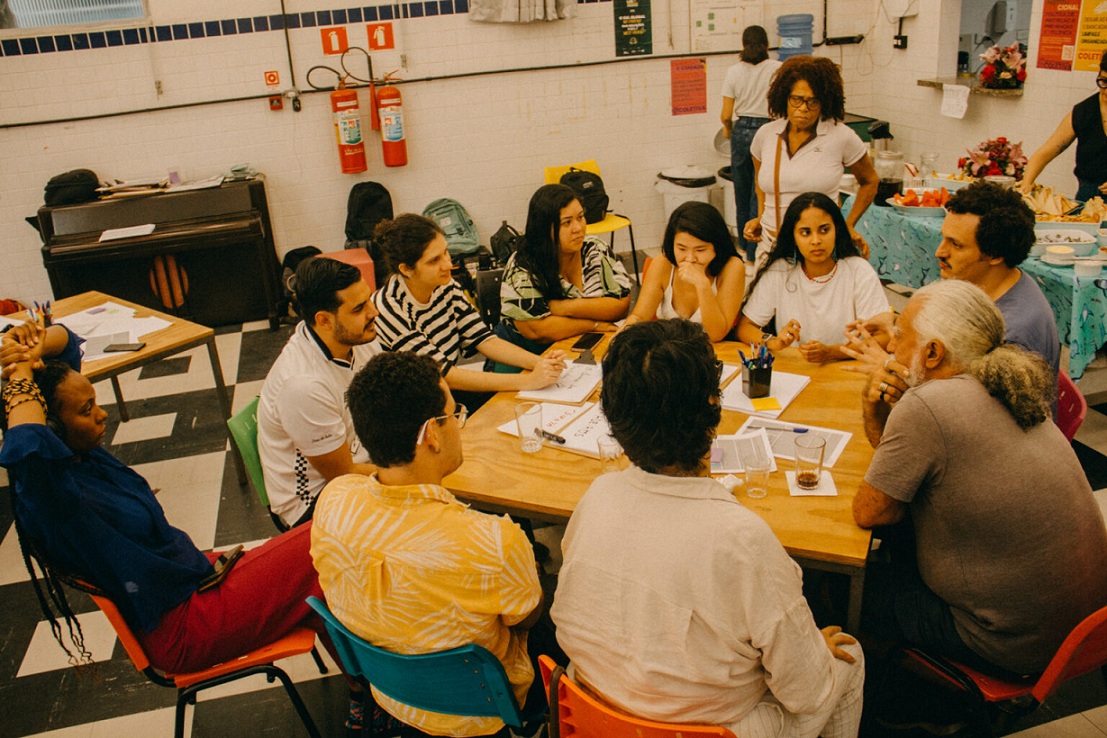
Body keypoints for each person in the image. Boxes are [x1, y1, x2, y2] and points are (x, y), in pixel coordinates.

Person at [551, 319, 864, 738]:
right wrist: (810, 653)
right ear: (713, 408)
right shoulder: (743, 539)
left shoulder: (598, 494)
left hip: (596, 713)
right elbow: (807, 693)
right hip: (705, 729)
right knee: (849, 656)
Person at [0, 321, 342, 680]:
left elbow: (67, 342)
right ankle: (378, 696)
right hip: (185, 624)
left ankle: (363, 694)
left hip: (194, 579)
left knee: (327, 561)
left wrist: (29, 348)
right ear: (51, 430)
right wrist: (20, 376)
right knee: (325, 540)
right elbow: (26, 445)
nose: (101, 414)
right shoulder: (53, 495)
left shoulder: (82, 456)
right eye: (87, 410)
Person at [847, 280, 1107, 676]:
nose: (891, 349)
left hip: (1010, 643)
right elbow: (896, 469)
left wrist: (879, 407)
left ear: (932, 352)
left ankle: (908, 704)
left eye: (900, 338)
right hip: (1084, 628)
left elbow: (872, 512)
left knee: (845, 592)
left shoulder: (925, 405)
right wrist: (874, 404)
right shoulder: (1007, 379)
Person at [311, 351, 554, 737]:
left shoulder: (333, 502)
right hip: (484, 710)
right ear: (432, 435)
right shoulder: (493, 541)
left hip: (390, 693)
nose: (459, 423)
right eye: (454, 413)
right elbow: (526, 617)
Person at [371, 213, 567, 408]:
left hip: (443, 392)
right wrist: (528, 381)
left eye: (446, 252)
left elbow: (484, 339)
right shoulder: (389, 309)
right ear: (406, 269)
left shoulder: (445, 286)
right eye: (434, 260)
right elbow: (444, 374)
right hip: (410, 408)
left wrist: (541, 363)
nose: (448, 264)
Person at [258, 256, 381, 528]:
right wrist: (411, 473)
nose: (374, 313)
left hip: (360, 456)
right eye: (360, 308)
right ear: (324, 320)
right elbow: (343, 474)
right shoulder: (303, 385)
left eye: (369, 300)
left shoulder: (356, 337)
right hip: (312, 502)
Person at [745, 55, 878, 267]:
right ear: (784, 97)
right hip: (772, 246)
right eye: (796, 99)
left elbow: (870, 180)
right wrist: (761, 216)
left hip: (818, 251)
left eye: (812, 101)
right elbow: (760, 182)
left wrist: (849, 224)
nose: (803, 108)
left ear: (825, 102)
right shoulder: (766, 135)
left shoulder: (841, 136)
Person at [737, 192, 890, 362]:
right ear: (793, 237)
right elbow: (745, 327)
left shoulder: (858, 270)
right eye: (805, 233)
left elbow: (884, 337)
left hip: (848, 368)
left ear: (837, 231)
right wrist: (773, 341)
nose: (815, 240)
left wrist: (832, 352)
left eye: (824, 230)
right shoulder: (780, 271)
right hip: (796, 371)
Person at [498, 183, 632, 355]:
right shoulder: (523, 264)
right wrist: (593, 324)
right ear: (544, 228)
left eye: (580, 217)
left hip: (582, 345)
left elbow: (621, 305)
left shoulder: (595, 249)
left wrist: (565, 307)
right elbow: (536, 329)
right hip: (522, 352)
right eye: (567, 222)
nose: (578, 228)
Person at [623, 201, 746, 342]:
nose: (690, 258)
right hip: (671, 352)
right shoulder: (662, 264)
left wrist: (703, 285)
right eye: (681, 249)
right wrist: (626, 332)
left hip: (714, 352)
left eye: (700, 250)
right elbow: (640, 317)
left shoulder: (732, 267)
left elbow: (716, 334)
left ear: (717, 246)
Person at [721, 25, 782, 262]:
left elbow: (726, 114)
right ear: (767, 44)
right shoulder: (778, 68)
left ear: (743, 44)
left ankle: (745, 247)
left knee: (742, 190)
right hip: (769, 128)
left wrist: (729, 131)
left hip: (742, 130)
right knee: (762, 191)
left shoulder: (734, 71)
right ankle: (759, 249)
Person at [1018, 50, 1107, 201]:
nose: (1105, 91)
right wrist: (1026, 183)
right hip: (1089, 195)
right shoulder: (1084, 111)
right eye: (1103, 82)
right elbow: (1044, 153)